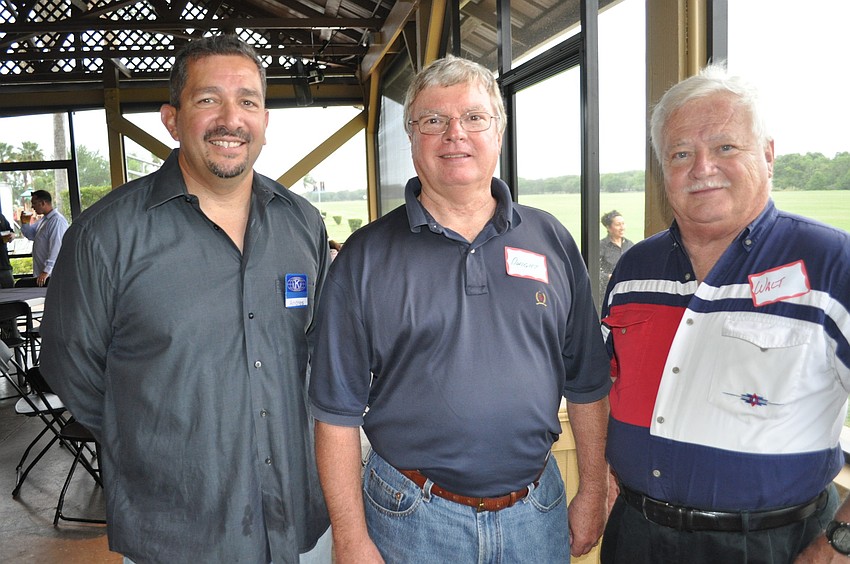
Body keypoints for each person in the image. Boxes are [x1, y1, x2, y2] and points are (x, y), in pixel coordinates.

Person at [39, 35, 331, 564]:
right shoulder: (105, 235)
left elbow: (316, 353)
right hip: (176, 531)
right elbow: (70, 365)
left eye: (248, 101)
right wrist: (154, 438)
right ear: (171, 120)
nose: (230, 119)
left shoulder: (303, 224)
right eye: (208, 99)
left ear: (265, 121)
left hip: (294, 520)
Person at [309, 55, 611, 564]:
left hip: (536, 515)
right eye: (434, 120)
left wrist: (594, 490)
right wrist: (350, 537)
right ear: (411, 136)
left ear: (499, 132)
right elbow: (335, 413)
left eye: (474, 117)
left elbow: (588, 383)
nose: (455, 134)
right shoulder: (364, 257)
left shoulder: (552, 241)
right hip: (411, 519)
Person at [599, 63, 850, 564]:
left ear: (768, 155)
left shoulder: (832, 264)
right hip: (636, 536)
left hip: (773, 545)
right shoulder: (634, 268)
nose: (702, 167)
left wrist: (838, 545)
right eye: (680, 153)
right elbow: (609, 385)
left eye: (725, 147)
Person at [19, 189, 68, 287]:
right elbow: (31, 235)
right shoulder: (44, 220)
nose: (32, 207)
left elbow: (56, 247)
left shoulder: (57, 221)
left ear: (43, 203)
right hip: (42, 274)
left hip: (51, 275)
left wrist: (46, 271)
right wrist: (25, 223)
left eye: (34, 203)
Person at [598, 209, 633, 295]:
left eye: (623, 224)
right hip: (607, 290)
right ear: (608, 228)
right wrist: (607, 277)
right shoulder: (601, 246)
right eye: (618, 224)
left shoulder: (630, 245)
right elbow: (592, 269)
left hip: (626, 289)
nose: (622, 228)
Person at [0, 209, 15, 288]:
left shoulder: (1, 217)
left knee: (10, 290)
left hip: (4, 264)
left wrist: (12, 235)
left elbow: (10, 231)